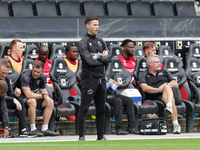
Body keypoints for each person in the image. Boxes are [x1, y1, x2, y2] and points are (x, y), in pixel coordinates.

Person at [78, 16, 112, 141]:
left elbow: (110, 57)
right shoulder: (83, 42)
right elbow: (89, 61)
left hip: (101, 78)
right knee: (84, 108)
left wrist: (99, 58)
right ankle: (81, 135)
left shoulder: (101, 41)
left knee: (101, 109)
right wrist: (102, 59)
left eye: (98, 24)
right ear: (87, 26)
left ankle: (101, 136)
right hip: (89, 79)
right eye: (94, 25)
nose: (97, 27)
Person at [137, 54, 181, 134]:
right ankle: (176, 124)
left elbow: (176, 84)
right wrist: (158, 89)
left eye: (159, 62)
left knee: (167, 87)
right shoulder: (142, 74)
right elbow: (144, 88)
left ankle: (169, 106)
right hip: (154, 97)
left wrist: (165, 86)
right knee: (170, 98)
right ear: (150, 64)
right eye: (157, 62)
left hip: (170, 94)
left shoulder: (164, 72)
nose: (159, 64)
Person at [15, 61, 59, 137]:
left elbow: (43, 92)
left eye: (38, 72)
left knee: (50, 101)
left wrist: (46, 97)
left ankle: (45, 129)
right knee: (32, 101)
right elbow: (28, 95)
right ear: (32, 68)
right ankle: (33, 129)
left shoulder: (42, 76)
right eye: (34, 71)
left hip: (34, 98)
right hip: (22, 99)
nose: (35, 73)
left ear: (42, 72)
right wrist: (42, 96)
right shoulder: (25, 76)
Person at [0, 61, 34, 137]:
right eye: (2, 72)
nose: (4, 75)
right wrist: (12, 99)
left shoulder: (7, 79)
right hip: (2, 101)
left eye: (6, 73)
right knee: (4, 101)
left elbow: (10, 93)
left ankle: (23, 129)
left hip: (5, 100)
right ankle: (7, 128)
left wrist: (15, 94)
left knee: (20, 100)